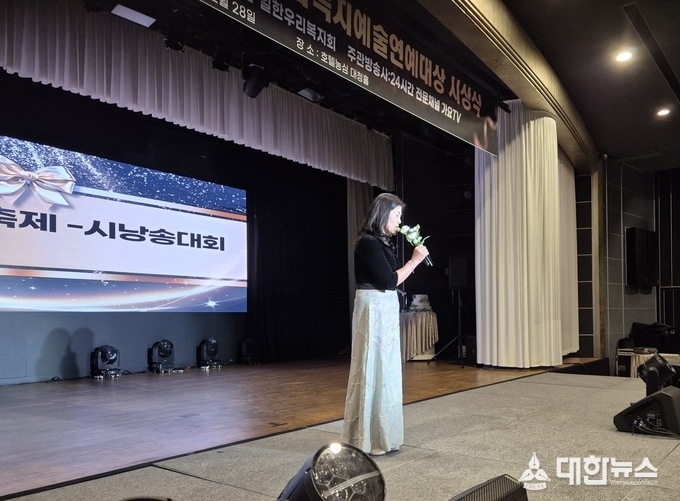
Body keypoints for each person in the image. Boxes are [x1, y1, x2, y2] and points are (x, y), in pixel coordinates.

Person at [341, 193, 429, 456]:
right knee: (373, 367)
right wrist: (414, 261)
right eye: (397, 215)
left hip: (384, 308)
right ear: (384, 213)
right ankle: (367, 437)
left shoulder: (381, 243)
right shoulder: (368, 243)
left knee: (385, 369)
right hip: (374, 308)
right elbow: (388, 281)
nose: (400, 221)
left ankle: (383, 434)